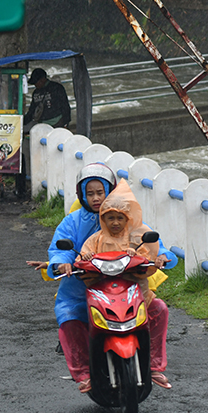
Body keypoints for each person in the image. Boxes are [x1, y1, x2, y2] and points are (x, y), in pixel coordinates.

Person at [26, 163, 173, 394]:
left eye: (100, 192)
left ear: (110, 191)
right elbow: (61, 247)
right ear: (81, 195)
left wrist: (162, 255)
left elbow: (150, 241)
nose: (95, 198)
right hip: (81, 287)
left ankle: (154, 366)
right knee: (71, 320)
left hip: (127, 285)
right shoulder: (72, 222)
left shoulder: (128, 218)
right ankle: (84, 373)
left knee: (158, 310)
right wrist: (61, 262)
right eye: (90, 193)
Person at [80, 179, 160, 307]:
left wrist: (136, 255)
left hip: (133, 287)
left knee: (159, 308)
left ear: (127, 219)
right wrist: (86, 256)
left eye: (120, 218)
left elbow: (147, 260)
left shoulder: (135, 238)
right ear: (103, 219)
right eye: (111, 218)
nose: (115, 223)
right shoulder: (96, 239)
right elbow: (83, 256)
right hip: (103, 288)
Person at [23, 68, 71, 133]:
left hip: (57, 123)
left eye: (36, 82)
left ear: (43, 80)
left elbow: (65, 106)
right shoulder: (36, 92)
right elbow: (32, 110)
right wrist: (22, 122)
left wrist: (66, 123)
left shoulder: (57, 88)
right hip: (41, 123)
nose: (35, 85)